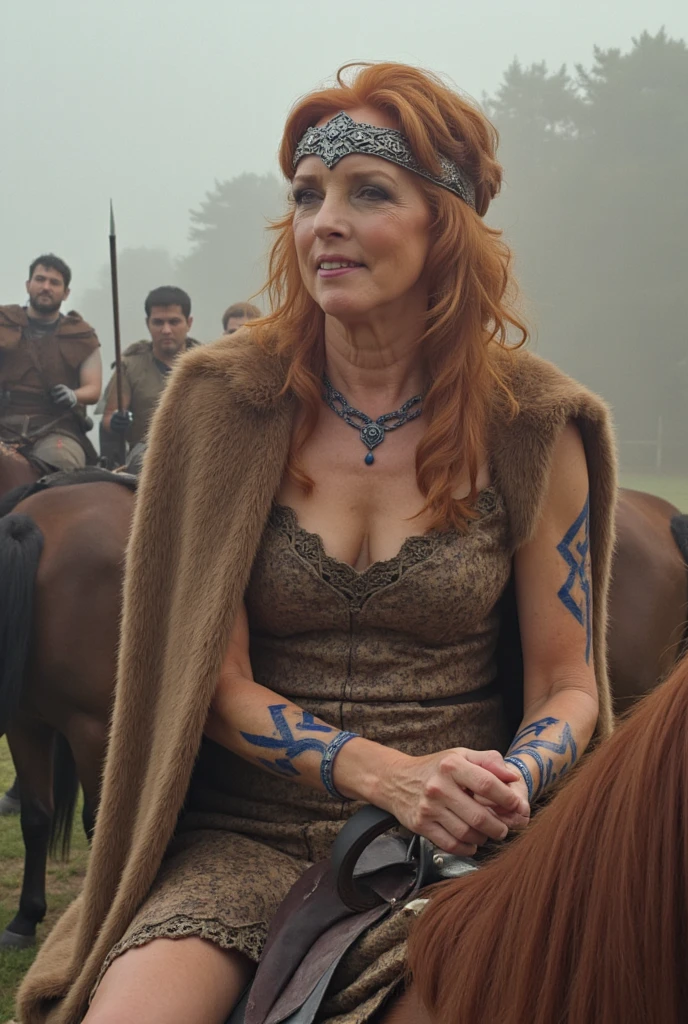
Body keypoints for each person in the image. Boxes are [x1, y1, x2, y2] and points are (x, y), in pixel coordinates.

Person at [18, 63, 618, 1024]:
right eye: (306, 195)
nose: (321, 222)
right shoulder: (221, 403)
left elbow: (568, 684)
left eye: (366, 193)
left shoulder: (534, 423)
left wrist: (507, 781)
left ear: (445, 224)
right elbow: (207, 682)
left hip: (454, 850)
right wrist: (390, 775)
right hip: (242, 835)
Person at [0, 254, 102, 469]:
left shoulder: (81, 335)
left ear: (66, 293)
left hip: (56, 428)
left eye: (54, 282)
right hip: (4, 422)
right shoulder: (3, 323)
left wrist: (73, 395)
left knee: (62, 464)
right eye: (40, 279)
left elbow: (93, 389)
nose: (46, 287)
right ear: (28, 285)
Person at [101, 285, 199, 469]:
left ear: (189, 323)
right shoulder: (129, 367)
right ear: (148, 323)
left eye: (174, 322)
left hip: (198, 454)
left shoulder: (207, 366)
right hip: (146, 456)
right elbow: (108, 417)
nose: (166, 330)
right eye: (158, 322)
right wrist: (116, 421)